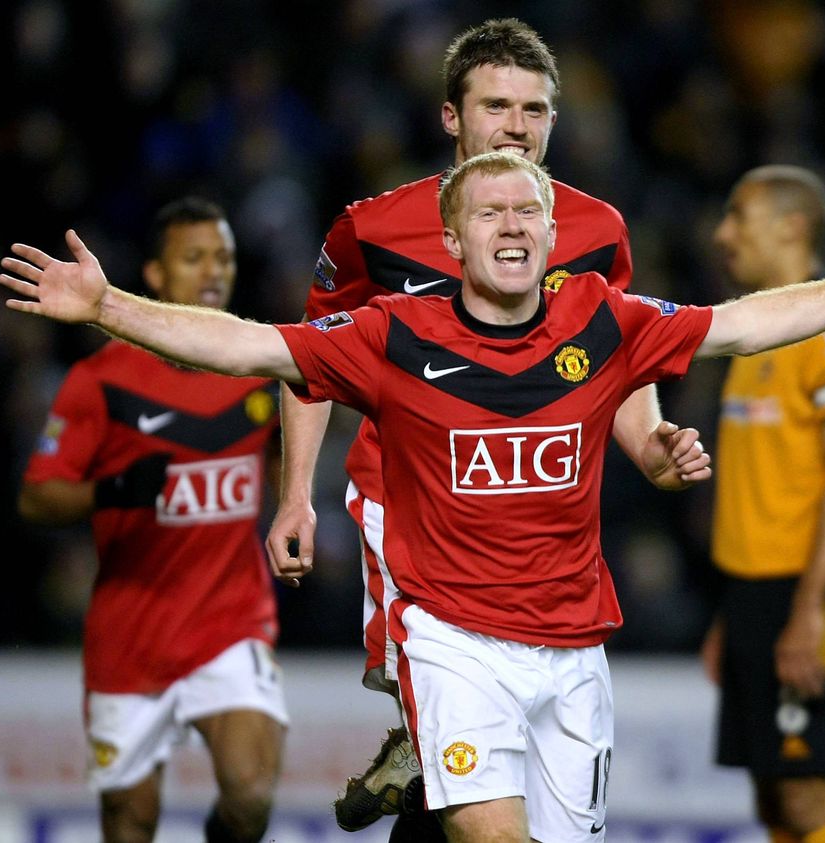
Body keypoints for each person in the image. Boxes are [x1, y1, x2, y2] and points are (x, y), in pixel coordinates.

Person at [0, 151, 825, 842]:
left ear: (553, 233)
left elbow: (741, 323)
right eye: (489, 213)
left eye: (527, 211)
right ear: (452, 238)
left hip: (574, 649)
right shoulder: (393, 334)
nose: (511, 225)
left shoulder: (605, 320)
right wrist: (108, 307)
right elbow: (252, 345)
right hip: (453, 641)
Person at [264, 18, 707, 836]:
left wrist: (652, 446)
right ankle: (418, 744)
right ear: (451, 116)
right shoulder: (371, 228)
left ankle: (417, 759)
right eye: (496, 106)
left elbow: (617, 355)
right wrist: (296, 494)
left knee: (457, 784)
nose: (516, 126)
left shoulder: (597, 229)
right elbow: (307, 361)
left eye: (534, 110)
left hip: (535, 511)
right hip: (405, 501)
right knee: (450, 734)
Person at [16, 197, 288, 843]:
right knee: (130, 822)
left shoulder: (257, 361)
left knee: (250, 794)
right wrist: (111, 490)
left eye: (223, 256)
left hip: (231, 622)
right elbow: (35, 499)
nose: (214, 270)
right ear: (156, 275)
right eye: (194, 257)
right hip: (131, 637)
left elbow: (289, 447)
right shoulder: (100, 380)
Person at [700, 166, 825, 843]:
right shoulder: (758, 335)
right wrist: (734, 613)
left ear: (792, 226)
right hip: (754, 593)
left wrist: (809, 609)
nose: (722, 233)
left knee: (810, 794)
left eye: (738, 215)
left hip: (809, 592)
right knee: (775, 799)